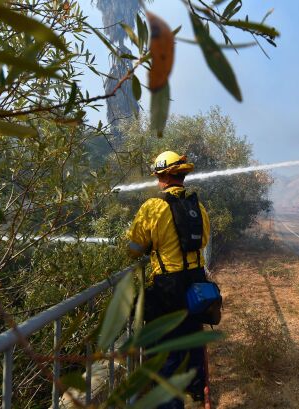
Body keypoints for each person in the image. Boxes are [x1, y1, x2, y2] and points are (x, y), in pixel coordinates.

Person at [126, 150, 210, 408]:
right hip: (197, 284)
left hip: (167, 289)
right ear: (182, 174)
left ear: (161, 176)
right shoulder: (198, 206)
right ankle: (196, 395)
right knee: (192, 340)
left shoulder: (152, 207)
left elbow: (133, 249)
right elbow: (204, 240)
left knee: (166, 355)